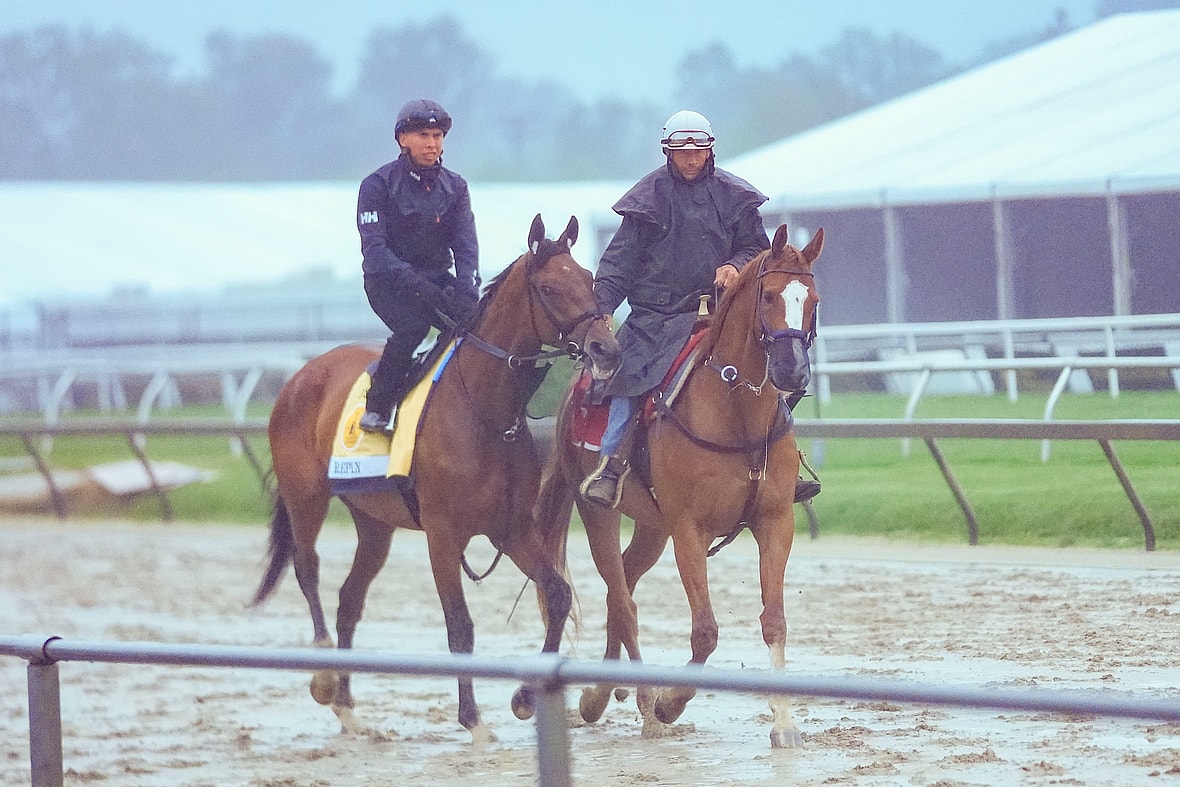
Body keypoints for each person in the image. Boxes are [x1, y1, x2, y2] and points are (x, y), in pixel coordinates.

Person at [579, 109, 821, 508]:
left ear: (710, 151)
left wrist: (734, 266)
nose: (690, 158)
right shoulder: (646, 200)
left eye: (698, 151)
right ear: (667, 152)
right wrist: (603, 307)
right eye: (681, 151)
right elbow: (618, 264)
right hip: (655, 318)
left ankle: (786, 463)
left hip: (719, 313)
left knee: (761, 367)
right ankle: (612, 463)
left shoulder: (735, 196)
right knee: (629, 376)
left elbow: (759, 250)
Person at [356, 98, 480, 433]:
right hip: (388, 283)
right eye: (424, 134)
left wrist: (468, 283)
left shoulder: (456, 187)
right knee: (413, 328)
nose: (432, 143)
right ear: (403, 139)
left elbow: (465, 243)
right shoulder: (376, 186)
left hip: (437, 278)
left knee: (480, 324)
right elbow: (375, 250)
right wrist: (412, 281)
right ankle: (378, 406)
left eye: (438, 135)